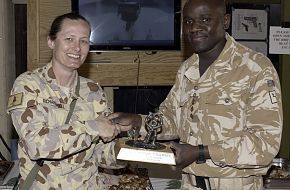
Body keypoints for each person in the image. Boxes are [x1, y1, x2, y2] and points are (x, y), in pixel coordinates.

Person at [110, 0, 283, 189]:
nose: (194, 28)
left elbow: (265, 143)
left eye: (205, 19)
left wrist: (201, 152)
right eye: (188, 21)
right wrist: (138, 122)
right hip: (190, 184)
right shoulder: (187, 68)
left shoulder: (255, 68)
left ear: (225, 22)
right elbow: (172, 119)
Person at [7, 13, 135, 189]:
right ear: (51, 42)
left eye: (84, 41)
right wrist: (93, 127)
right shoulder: (28, 84)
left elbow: (100, 152)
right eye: (69, 39)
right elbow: (36, 145)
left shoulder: (93, 91)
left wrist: (129, 149)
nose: (77, 48)